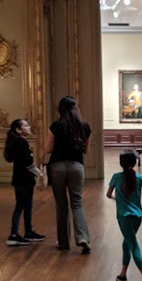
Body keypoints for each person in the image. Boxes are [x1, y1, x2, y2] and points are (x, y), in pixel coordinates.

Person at [46, 96, 92, 253]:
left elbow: (47, 149)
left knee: (61, 205)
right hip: (76, 166)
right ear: (75, 108)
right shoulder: (84, 126)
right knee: (77, 204)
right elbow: (85, 150)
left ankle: (64, 242)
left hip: (57, 167)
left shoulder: (55, 126)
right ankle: (82, 238)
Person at [106, 151, 142, 281]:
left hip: (124, 217)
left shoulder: (116, 177)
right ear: (134, 164)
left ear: (121, 164)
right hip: (138, 217)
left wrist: (118, 200)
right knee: (127, 244)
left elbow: (108, 194)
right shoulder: (139, 178)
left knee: (133, 245)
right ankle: (122, 275)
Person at [4, 119, 45, 246]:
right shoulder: (21, 143)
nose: (29, 127)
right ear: (18, 130)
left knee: (26, 206)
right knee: (21, 206)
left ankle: (28, 232)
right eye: (26, 125)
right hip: (24, 180)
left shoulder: (17, 142)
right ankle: (14, 235)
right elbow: (28, 163)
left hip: (20, 179)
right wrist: (40, 173)